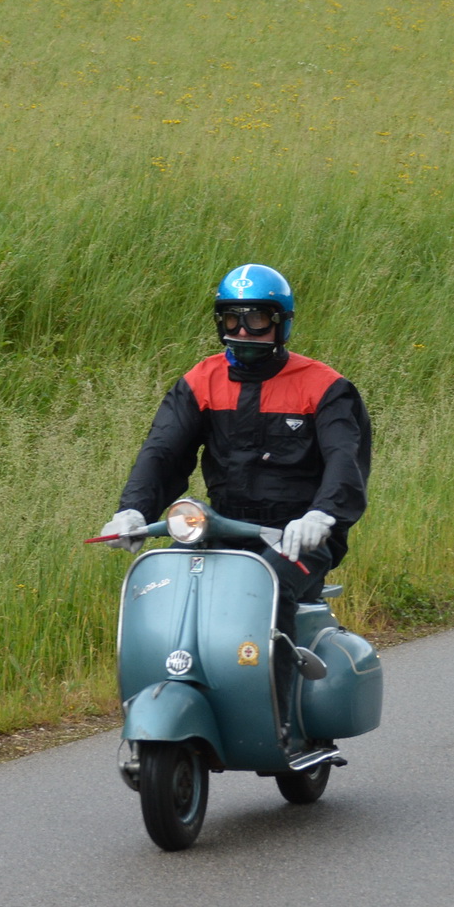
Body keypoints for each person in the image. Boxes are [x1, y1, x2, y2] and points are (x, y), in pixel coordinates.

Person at [100, 264, 371, 734]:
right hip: (222, 527)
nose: (243, 330)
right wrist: (132, 511)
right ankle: (184, 683)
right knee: (167, 585)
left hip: (297, 537)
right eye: (231, 319)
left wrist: (322, 515)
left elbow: (345, 461)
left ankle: (277, 718)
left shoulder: (324, 387)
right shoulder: (201, 381)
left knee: (270, 589)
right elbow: (163, 452)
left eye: (257, 319)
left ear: (281, 323)